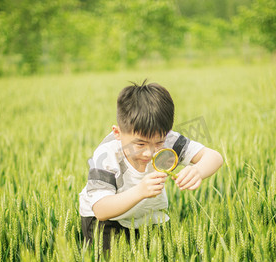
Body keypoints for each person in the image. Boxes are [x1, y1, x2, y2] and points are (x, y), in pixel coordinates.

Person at [79, 80, 223, 250]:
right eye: (140, 144)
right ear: (118, 133)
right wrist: (140, 191)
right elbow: (101, 210)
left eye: (158, 143)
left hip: (147, 216)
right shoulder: (106, 156)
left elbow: (214, 157)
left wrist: (198, 171)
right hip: (107, 221)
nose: (150, 152)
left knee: (165, 259)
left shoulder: (169, 140)